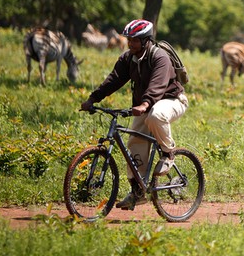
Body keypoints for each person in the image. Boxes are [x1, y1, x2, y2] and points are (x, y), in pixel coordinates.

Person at [80, 19, 188, 210]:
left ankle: (168, 152)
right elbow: (113, 80)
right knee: (134, 144)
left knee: (156, 115)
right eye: (129, 39)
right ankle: (137, 192)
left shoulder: (160, 57)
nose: (130, 43)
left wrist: (145, 102)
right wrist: (93, 99)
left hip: (172, 100)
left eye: (135, 40)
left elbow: (158, 84)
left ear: (146, 40)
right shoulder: (128, 58)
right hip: (145, 105)